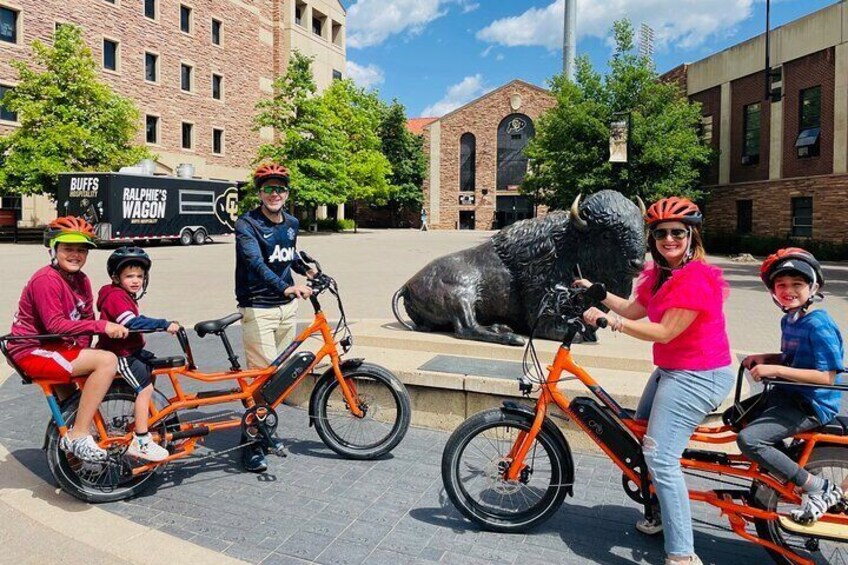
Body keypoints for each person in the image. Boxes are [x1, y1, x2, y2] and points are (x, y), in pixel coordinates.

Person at [577, 197, 734, 565]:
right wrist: (597, 292)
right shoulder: (663, 273)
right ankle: (661, 512)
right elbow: (636, 309)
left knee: (661, 457)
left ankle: (682, 554)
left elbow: (662, 331)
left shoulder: (696, 279)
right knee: (640, 431)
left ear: (691, 235)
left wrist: (608, 321)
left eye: (677, 232)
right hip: (672, 370)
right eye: (661, 233)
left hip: (700, 375)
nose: (669, 239)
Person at [7, 216, 129, 462]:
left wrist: (87, 345)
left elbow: (85, 317)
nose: (75, 255)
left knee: (74, 395)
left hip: (55, 347)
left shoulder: (81, 279)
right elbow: (56, 325)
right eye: (68, 248)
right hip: (30, 350)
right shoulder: (46, 280)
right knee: (106, 361)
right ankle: (78, 436)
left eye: (81, 250)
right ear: (54, 249)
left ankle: (70, 457)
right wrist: (102, 326)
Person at [737, 248, 844, 524]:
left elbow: (827, 377)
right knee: (737, 417)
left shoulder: (819, 324)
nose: (789, 290)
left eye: (797, 284)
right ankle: (793, 472)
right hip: (789, 393)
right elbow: (793, 358)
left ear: (813, 287)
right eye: (781, 285)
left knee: (750, 440)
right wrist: (767, 358)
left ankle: (819, 487)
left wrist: (775, 368)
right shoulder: (790, 319)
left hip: (811, 404)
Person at [235, 162, 314, 472]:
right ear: (260, 192)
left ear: (287, 192)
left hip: (286, 309)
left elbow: (290, 254)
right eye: (268, 188)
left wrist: (308, 269)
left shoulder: (291, 222)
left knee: (279, 378)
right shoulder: (247, 224)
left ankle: (263, 426)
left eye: (279, 188)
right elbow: (255, 263)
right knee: (261, 379)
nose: (274, 193)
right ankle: (250, 442)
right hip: (258, 308)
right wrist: (286, 287)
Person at [96, 246, 181, 462]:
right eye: (129, 276)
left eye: (140, 276)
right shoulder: (115, 296)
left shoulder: (124, 295)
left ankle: (144, 417)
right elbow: (131, 322)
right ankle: (141, 439)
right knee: (145, 388)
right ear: (116, 277)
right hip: (120, 354)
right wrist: (164, 324)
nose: (135, 280)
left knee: (152, 369)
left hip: (131, 350)